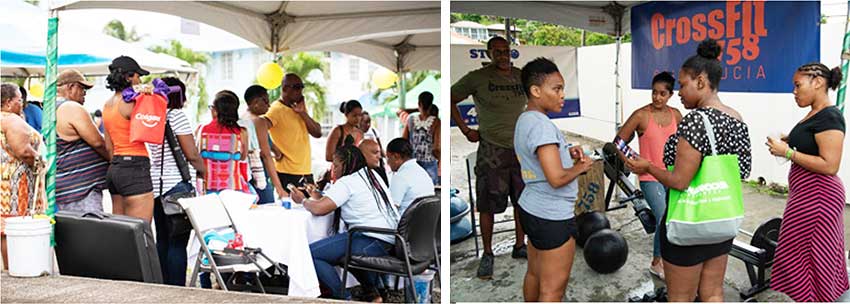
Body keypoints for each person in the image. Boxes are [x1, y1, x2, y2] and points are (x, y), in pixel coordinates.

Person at [625, 39, 752, 302]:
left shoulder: (694, 120)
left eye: (683, 85)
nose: (679, 92)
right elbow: (742, 170)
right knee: (713, 293)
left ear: (702, 82)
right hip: (720, 221)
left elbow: (680, 181)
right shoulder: (738, 118)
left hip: (688, 225)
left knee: (680, 297)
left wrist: (648, 166)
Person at [513, 58, 594, 301]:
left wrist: (565, 152)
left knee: (535, 274)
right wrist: (581, 166)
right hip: (551, 216)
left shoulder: (526, 119)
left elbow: (537, 158)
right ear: (536, 91)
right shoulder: (542, 126)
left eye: (562, 88)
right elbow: (557, 178)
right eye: (556, 88)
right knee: (552, 289)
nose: (562, 95)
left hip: (532, 208)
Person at [766, 63, 848, 302]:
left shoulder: (830, 116)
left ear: (818, 82)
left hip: (819, 199)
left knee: (809, 257)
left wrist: (788, 153)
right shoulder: (816, 113)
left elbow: (830, 164)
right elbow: (813, 143)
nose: (794, 91)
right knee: (798, 256)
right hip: (804, 195)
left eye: (797, 85)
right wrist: (789, 141)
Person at [451, 35, 528, 279]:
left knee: (522, 200)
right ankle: (487, 253)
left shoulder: (521, 76)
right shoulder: (478, 78)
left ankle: (519, 246)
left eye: (506, 51)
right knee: (487, 203)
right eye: (497, 52)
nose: (503, 55)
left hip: (520, 150)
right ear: (489, 54)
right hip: (492, 150)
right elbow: (450, 98)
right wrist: (465, 130)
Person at [290, 137, 398, 302]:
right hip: (387, 238)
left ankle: (343, 297)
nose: (333, 169)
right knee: (340, 252)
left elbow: (319, 209)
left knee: (310, 255)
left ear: (346, 165)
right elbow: (334, 200)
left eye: (336, 165)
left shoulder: (348, 182)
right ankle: (373, 294)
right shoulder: (371, 176)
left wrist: (302, 201)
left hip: (369, 239)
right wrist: (316, 195)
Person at [615, 71, 682, 279]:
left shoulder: (676, 115)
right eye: (654, 93)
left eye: (662, 94)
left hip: (671, 175)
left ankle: (671, 258)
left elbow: (684, 145)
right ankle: (656, 262)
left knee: (674, 218)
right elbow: (618, 142)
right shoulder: (641, 115)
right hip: (649, 177)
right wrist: (630, 160)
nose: (657, 98)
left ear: (670, 95)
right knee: (663, 217)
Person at [148, 77, 205, 286]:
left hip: (156, 187)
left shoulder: (152, 117)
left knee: (162, 240)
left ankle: (162, 287)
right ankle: (177, 291)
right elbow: (191, 153)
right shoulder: (176, 115)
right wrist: (204, 170)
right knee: (177, 243)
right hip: (177, 187)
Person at [102, 56, 155, 222]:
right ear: (128, 77)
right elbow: (154, 124)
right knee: (141, 232)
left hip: (115, 169)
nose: (140, 80)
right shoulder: (132, 103)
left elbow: (109, 147)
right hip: (135, 167)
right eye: (138, 76)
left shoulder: (107, 105)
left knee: (120, 232)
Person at [0, 83, 47, 270]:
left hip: (4, 178)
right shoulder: (11, 120)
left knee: (6, 227)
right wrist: (39, 160)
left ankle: (9, 267)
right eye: (20, 100)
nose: (23, 104)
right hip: (15, 183)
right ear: (9, 102)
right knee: (15, 226)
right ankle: (17, 267)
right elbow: (23, 151)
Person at [55, 69, 110, 212]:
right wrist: (115, 160)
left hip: (69, 186)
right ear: (70, 87)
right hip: (81, 190)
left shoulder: (52, 108)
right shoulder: (70, 107)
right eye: (82, 89)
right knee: (90, 231)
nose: (84, 94)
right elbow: (98, 143)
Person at [257, 74, 322, 191]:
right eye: (297, 87)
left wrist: (302, 113)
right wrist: (273, 148)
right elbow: (259, 128)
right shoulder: (276, 110)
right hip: (287, 173)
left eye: (302, 87)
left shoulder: (298, 108)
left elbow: (317, 133)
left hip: (305, 172)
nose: (301, 91)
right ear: (285, 89)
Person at [196, 90, 250, 195]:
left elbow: (197, 157)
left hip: (207, 187)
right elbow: (243, 157)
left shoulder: (202, 130)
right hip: (233, 187)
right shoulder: (242, 132)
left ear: (216, 110)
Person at [241, 85, 285, 203]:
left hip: (243, 177)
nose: (269, 105)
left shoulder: (240, 120)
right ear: (255, 102)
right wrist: (279, 189)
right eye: (265, 101)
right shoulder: (259, 121)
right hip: (259, 177)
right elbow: (266, 156)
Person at [386, 138, 433, 214]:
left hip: (406, 224)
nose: (387, 162)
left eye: (388, 157)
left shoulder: (400, 176)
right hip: (425, 223)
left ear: (396, 156)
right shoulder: (423, 172)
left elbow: (391, 209)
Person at [402, 91, 440, 185]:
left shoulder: (410, 119)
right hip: (429, 163)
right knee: (430, 194)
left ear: (419, 103)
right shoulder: (436, 122)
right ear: (431, 104)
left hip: (412, 162)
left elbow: (403, 141)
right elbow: (436, 147)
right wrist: (439, 160)